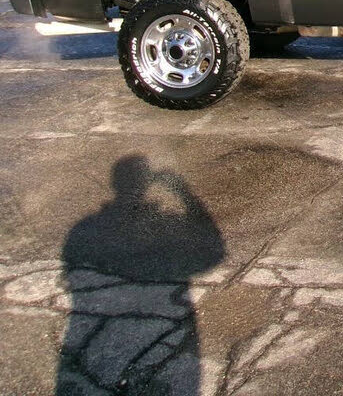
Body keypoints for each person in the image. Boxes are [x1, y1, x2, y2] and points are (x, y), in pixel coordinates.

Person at [57, 155, 224, 395]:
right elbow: (213, 251)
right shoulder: (163, 224)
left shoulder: (83, 228)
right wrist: (184, 193)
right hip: (160, 328)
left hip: (106, 335)